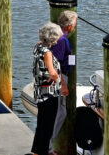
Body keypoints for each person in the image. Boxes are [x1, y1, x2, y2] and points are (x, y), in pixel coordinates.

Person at [30, 22, 64, 155]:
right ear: (53, 39)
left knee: (41, 124)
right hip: (49, 94)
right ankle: (43, 151)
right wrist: (56, 77)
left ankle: (37, 151)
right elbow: (52, 72)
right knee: (48, 126)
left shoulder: (38, 46)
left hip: (39, 91)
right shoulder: (48, 53)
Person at [49, 10, 77, 145]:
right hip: (59, 78)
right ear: (70, 25)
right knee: (60, 113)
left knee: (59, 112)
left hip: (61, 76)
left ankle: (48, 145)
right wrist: (63, 85)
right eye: (75, 23)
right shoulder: (61, 40)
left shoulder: (60, 36)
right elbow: (56, 63)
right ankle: (48, 146)